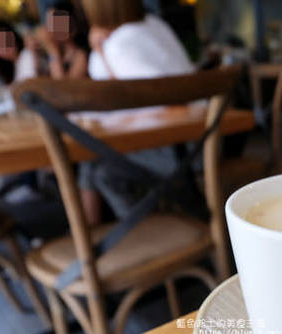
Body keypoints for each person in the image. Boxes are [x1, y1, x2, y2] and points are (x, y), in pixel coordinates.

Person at [76, 0, 197, 224]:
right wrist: (101, 50)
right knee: (91, 161)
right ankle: (104, 231)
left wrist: (103, 50)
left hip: (180, 150)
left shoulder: (121, 42)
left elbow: (165, 104)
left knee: (98, 167)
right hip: (201, 138)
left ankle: (139, 232)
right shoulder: (154, 24)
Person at [26, 1, 89, 80]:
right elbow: (38, 80)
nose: (49, 30)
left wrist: (52, 50)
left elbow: (62, 85)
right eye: (48, 23)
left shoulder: (80, 56)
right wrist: (34, 53)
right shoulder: (52, 54)